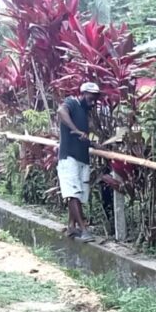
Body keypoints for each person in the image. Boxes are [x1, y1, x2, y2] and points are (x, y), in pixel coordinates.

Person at [56, 82, 102, 242]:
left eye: (95, 98)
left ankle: (71, 226)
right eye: (91, 97)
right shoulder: (72, 103)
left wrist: (93, 144)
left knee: (79, 194)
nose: (93, 102)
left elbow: (82, 138)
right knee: (73, 193)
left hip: (82, 158)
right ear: (82, 94)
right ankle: (83, 230)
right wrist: (74, 129)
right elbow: (61, 111)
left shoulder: (84, 111)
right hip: (69, 157)